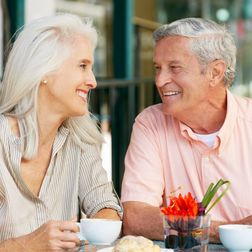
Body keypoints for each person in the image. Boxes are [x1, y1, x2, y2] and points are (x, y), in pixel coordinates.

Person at [121, 17, 252, 243]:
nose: (160, 81)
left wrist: (179, 225)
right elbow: (136, 218)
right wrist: (224, 231)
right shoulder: (150, 124)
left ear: (215, 72)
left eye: (175, 68)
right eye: (158, 68)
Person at [0, 13, 122, 251]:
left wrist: (93, 230)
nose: (93, 81)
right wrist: (25, 245)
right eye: (82, 66)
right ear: (44, 71)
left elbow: (106, 207)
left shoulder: (79, 138)